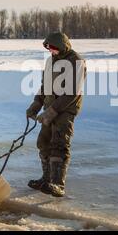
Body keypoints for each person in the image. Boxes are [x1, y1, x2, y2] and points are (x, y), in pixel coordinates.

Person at [26, 32, 86, 197]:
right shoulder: (50, 60)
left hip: (65, 110)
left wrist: (52, 111)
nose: (51, 52)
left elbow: (72, 92)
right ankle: (46, 179)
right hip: (49, 107)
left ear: (61, 46)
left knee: (59, 143)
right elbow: (45, 84)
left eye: (53, 49)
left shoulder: (76, 61)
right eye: (48, 49)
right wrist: (37, 104)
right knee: (43, 142)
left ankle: (57, 184)